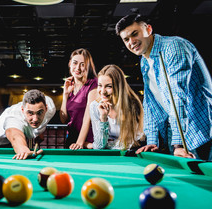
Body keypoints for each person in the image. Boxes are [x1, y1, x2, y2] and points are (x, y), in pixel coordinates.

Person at [116, 14, 212, 160]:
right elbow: (151, 103)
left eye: (135, 34)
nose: (131, 42)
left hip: (202, 129)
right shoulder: (144, 61)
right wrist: (152, 141)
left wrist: (178, 145)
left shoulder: (173, 47)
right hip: (178, 132)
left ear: (148, 29)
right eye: (126, 39)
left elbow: (177, 96)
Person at [89, 64, 144, 150]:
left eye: (109, 86)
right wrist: (103, 118)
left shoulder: (133, 104)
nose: (102, 91)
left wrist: (108, 145)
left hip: (129, 156)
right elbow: (99, 146)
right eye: (100, 85)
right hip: (107, 157)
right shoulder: (94, 106)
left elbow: (132, 143)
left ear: (119, 87)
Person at [0, 89, 56, 160]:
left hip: (23, 137)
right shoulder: (14, 117)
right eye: (30, 113)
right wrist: (23, 149)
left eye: (39, 113)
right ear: (22, 110)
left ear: (46, 108)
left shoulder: (50, 107)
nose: (35, 119)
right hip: (0, 143)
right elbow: (15, 135)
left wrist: (39, 131)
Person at [59, 48, 98, 150]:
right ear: (70, 64)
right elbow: (64, 120)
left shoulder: (93, 83)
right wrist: (65, 95)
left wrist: (79, 142)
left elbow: (88, 116)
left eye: (82, 64)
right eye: (75, 63)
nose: (78, 68)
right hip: (71, 141)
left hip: (88, 142)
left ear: (88, 67)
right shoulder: (69, 86)